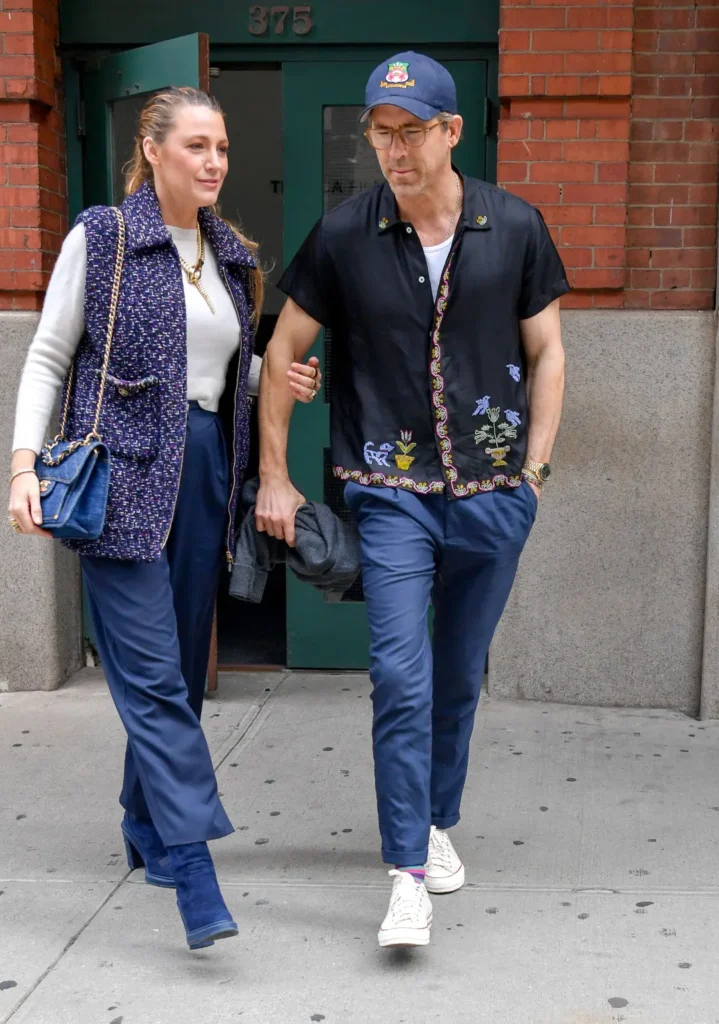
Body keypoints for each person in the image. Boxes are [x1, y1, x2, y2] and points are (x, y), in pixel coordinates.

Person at [256, 52, 568, 948]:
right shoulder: (346, 235)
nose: (392, 150)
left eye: (410, 131)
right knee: (399, 673)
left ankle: (434, 822)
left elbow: (546, 352)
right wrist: (276, 474)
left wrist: (534, 475)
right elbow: (283, 350)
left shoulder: (512, 227)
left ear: (450, 132)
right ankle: (404, 872)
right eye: (379, 133)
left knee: (458, 674)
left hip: (492, 492)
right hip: (389, 491)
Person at [7, 86, 321, 952]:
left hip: (203, 480)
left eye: (221, 146)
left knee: (178, 673)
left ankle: (142, 823)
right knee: (150, 681)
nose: (214, 160)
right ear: (152, 149)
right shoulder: (102, 238)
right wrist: (22, 465)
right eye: (195, 145)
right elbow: (47, 355)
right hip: (120, 482)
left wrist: (269, 382)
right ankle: (192, 870)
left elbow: (214, 376)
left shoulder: (229, 255)